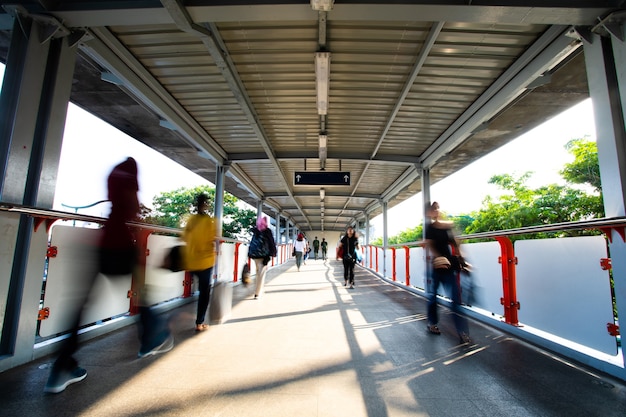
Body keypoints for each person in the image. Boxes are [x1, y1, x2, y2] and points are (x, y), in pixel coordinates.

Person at [45, 157, 173, 394]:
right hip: (121, 243)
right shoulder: (130, 176)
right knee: (141, 291)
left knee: (81, 303)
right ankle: (152, 336)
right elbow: (133, 207)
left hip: (103, 242)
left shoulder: (113, 177)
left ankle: (62, 365)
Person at [424, 201, 471, 344]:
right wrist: (439, 257)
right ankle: (432, 323)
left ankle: (462, 332)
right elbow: (430, 245)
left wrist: (463, 261)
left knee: (456, 300)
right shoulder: (429, 228)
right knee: (433, 297)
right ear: (429, 213)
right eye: (433, 209)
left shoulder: (448, 226)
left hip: (450, 266)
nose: (436, 211)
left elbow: (456, 244)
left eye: (437, 208)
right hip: (437, 267)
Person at [182, 193, 217, 331]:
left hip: (191, 261)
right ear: (205, 205)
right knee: (204, 293)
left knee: (198, 289)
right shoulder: (208, 221)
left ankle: (194, 318)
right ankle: (199, 322)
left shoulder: (191, 220)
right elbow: (211, 239)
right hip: (205, 262)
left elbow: (184, 237)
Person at [248, 216, 277, 299]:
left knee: (257, 272)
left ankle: (258, 289)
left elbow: (252, 243)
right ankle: (257, 293)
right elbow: (271, 242)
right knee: (261, 274)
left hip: (254, 256)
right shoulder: (267, 231)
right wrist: (273, 253)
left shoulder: (256, 231)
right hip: (263, 256)